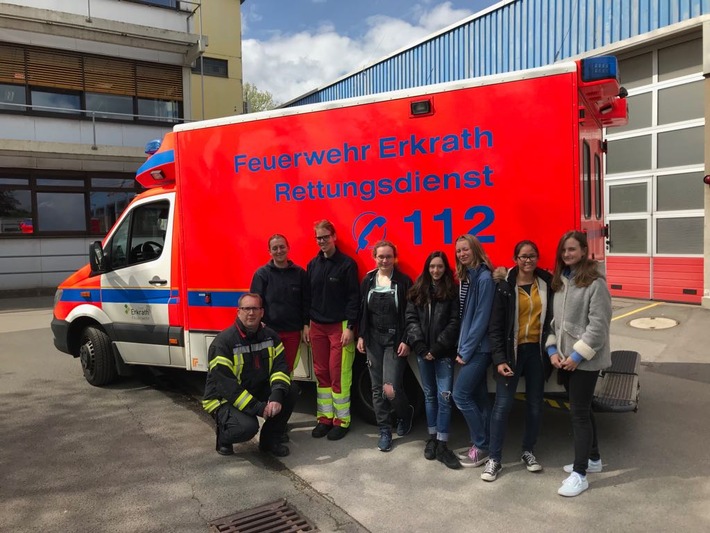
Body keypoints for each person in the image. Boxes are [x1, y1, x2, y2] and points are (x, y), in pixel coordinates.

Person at [546, 230, 612, 497]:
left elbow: (598, 328)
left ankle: (580, 474)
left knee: (579, 415)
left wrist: (575, 357)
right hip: (565, 362)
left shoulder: (595, 283)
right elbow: (554, 324)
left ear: (584, 251)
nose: (567, 254)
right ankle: (593, 459)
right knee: (583, 410)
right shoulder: (562, 282)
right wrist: (552, 349)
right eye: (564, 250)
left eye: (572, 249)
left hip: (585, 361)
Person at [482, 240, 553, 482]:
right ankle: (494, 459)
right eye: (523, 256)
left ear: (537, 258)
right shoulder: (504, 286)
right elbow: (495, 327)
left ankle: (528, 451)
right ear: (515, 258)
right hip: (511, 354)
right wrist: (499, 359)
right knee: (502, 407)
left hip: (536, 352)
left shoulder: (545, 283)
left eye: (532, 256)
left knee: (535, 405)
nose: (527, 260)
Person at [202, 293, 297, 457]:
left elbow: (280, 367)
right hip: (224, 399)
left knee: (290, 390)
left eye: (255, 308)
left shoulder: (271, 336)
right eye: (246, 309)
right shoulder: (223, 343)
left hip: (254, 388)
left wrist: (276, 396)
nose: (251, 313)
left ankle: (269, 441)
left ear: (262, 312)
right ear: (238, 312)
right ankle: (224, 436)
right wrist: (259, 408)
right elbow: (228, 388)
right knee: (247, 428)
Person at [405, 251, 461, 468]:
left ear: (445, 268)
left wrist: (437, 348)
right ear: (427, 268)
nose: (435, 270)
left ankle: (442, 443)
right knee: (429, 396)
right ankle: (431, 438)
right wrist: (419, 346)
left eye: (439, 266)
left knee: (444, 397)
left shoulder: (451, 292)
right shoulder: (418, 291)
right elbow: (411, 320)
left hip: (442, 353)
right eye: (432, 267)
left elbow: (454, 322)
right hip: (422, 353)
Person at [357, 240, 413, 452]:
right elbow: (362, 312)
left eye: (389, 256)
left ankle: (405, 413)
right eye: (381, 256)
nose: (385, 260)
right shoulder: (368, 280)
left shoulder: (403, 281)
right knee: (376, 388)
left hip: (394, 340)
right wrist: (361, 336)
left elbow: (410, 314)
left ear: (394, 258)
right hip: (373, 339)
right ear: (375, 257)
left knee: (390, 389)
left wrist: (406, 340)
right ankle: (384, 431)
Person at [307, 219, 360, 440]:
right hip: (317, 325)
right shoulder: (312, 265)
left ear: (334, 237)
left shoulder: (347, 264)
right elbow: (307, 297)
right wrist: (306, 324)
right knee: (321, 374)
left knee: (339, 374)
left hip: (339, 327)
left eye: (325, 237)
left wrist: (350, 326)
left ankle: (342, 420)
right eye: (319, 237)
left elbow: (353, 298)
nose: (322, 241)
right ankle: (325, 419)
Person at [451, 234, 495, 468]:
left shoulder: (484, 278)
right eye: (458, 251)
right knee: (479, 398)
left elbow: (480, 320)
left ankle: (481, 445)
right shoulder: (470, 277)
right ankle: (482, 444)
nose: (461, 254)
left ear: (475, 249)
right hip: (471, 347)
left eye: (465, 250)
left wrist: (465, 351)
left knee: (460, 395)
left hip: (478, 350)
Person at [250, 234, 310, 375]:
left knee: (288, 369)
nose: (279, 251)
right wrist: (258, 323)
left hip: (293, 332)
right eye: (275, 248)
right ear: (269, 252)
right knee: (268, 368)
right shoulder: (262, 274)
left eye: (282, 247)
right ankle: (270, 396)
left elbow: (306, 301)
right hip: (269, 331)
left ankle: (284, 396)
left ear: (288, 248)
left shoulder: (299, 273)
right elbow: (255, 301)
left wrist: (306, 324)